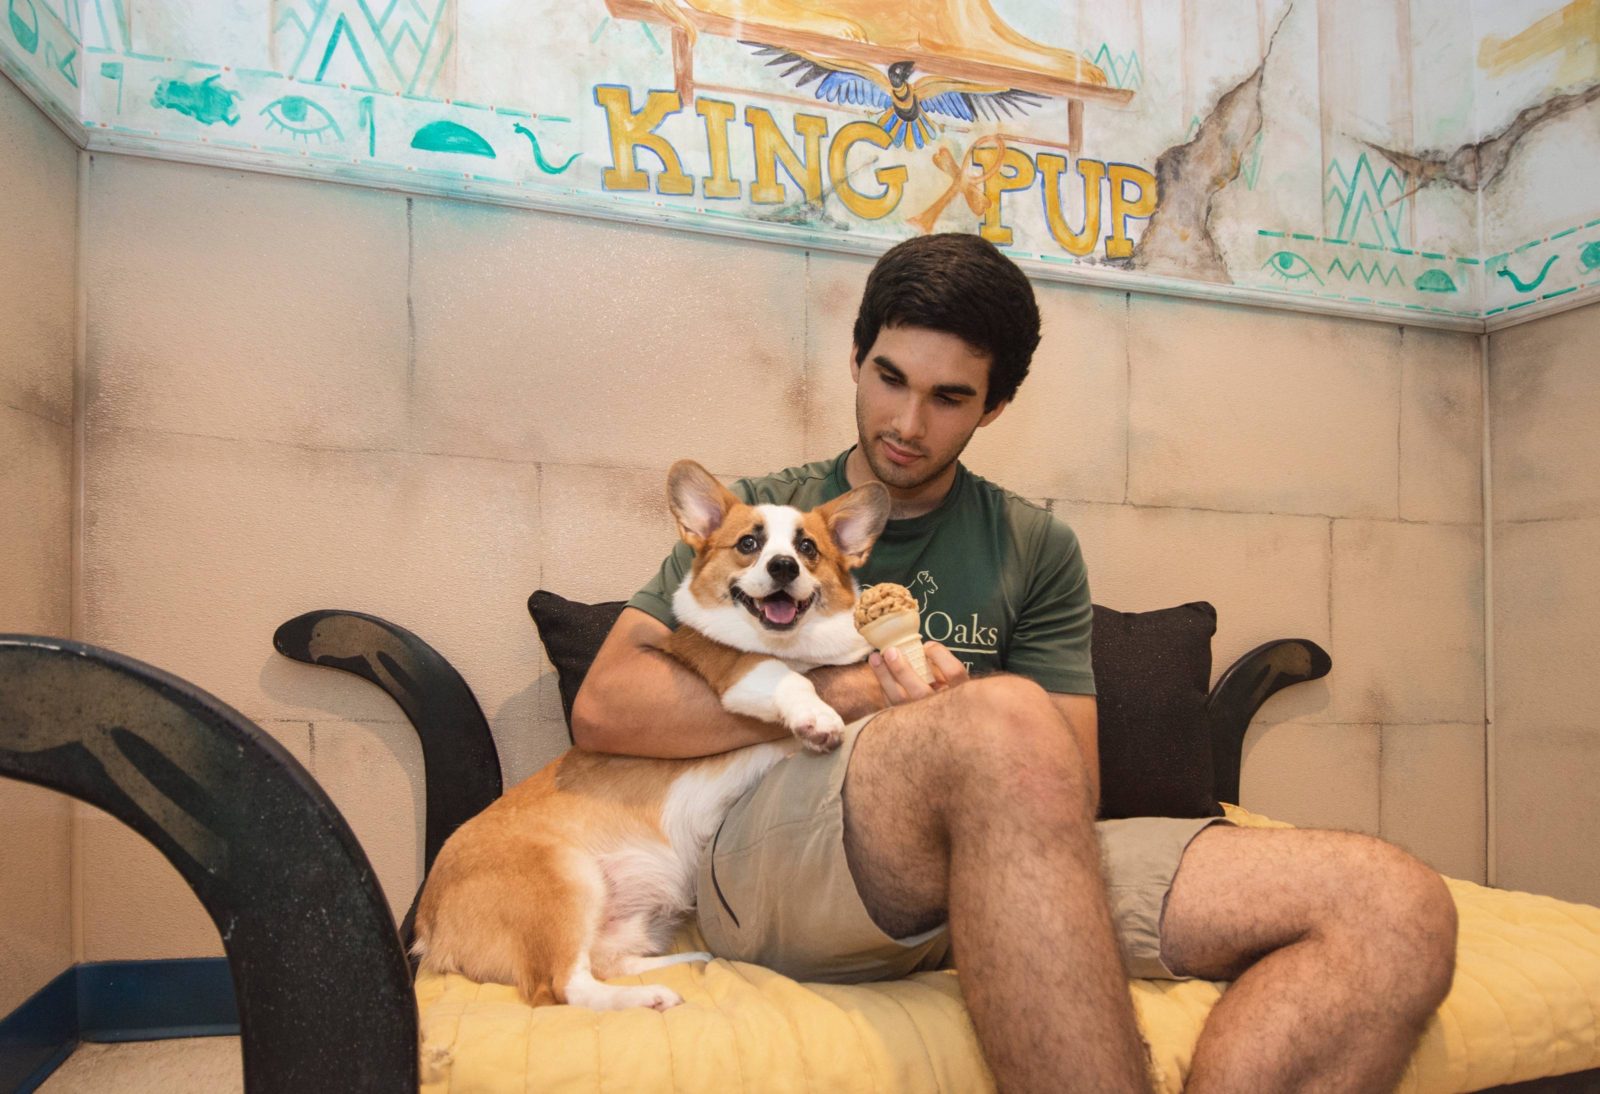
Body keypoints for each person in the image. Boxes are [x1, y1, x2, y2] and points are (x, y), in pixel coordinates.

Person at [572, 232, 1457, 1092]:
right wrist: (859, 687)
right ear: (855, 356)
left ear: (994, 407)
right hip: (785, 858)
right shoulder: (763, 523)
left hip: (1015, 859)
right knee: (1002, 715)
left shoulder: (1033, 544)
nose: (907, 423)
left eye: (950, 398)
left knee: (1393, 906)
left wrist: (977, 730)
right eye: (889, 379)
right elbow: (606, 708)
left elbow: (1073, 773)